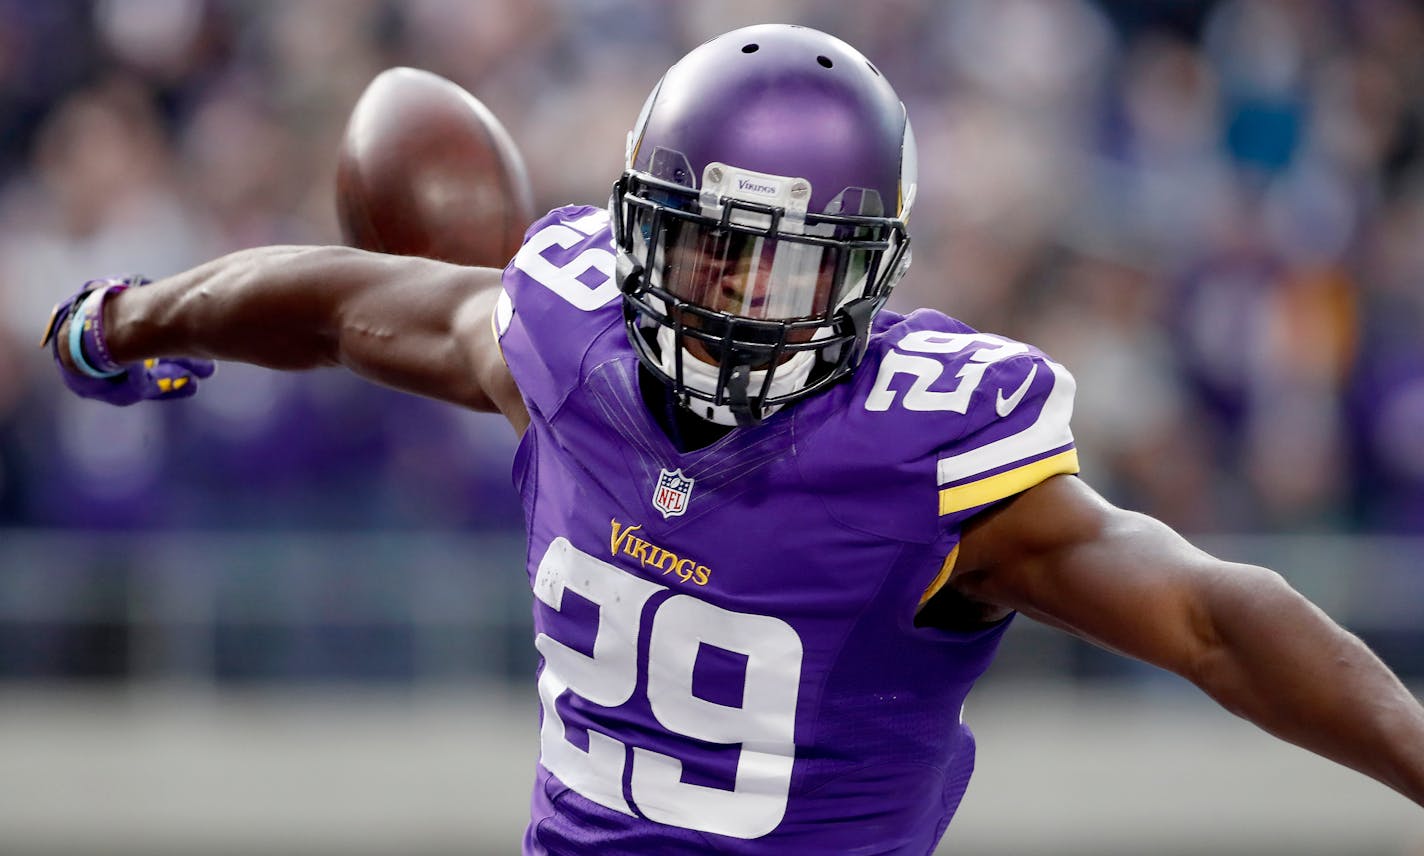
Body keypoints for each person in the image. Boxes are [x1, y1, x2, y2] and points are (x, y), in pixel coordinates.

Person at [40, 24, 1424, 855]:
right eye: (707, 255)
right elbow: (343, 309)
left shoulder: (923, 462)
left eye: (782, 267)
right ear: (639, 227)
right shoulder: (566, 339)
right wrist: (132, 319)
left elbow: (1208, 616)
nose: (735, 302)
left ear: (871, 274)